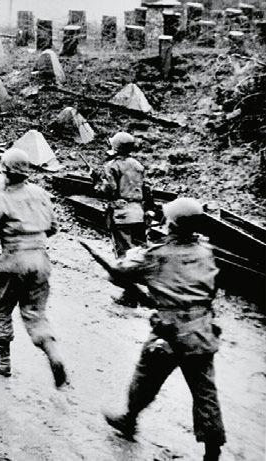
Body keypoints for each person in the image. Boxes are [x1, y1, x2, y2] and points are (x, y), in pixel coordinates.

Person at [102, 197, 225, 461]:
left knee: (145, 377)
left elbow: (118, 273)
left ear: (172, 224)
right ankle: (212, 449)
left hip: (170, 333)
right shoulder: (206, 252)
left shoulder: (157, 255)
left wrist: (134, 255)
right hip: (202, 331)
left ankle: (129, 419)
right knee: (205, 391)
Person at [0, 148, 68, 388]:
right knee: (36, 314)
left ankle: (3, 361)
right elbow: (53, 227)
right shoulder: (41, 193)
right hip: (40, 260)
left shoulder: (0, 198)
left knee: (1, 310)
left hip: (12, 261)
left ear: (5, 172)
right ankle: (53, 353)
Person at [92, 131, 148, 306]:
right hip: (138, 213)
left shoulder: (112, 165)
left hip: (121, 214)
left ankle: (130, 296)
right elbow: (146, 189)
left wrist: (96, 181)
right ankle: (138, 292)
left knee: (124, 256)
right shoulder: (138, 165)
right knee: (138, 254)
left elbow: (108, 190)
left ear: (115, 147)